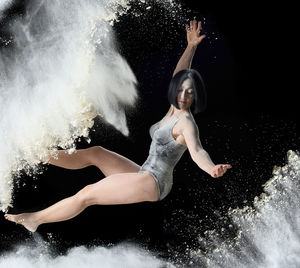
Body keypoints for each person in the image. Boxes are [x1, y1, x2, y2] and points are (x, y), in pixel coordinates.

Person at [4, 20, 231, 232]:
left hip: (155, 183)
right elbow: (179, 74)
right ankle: (38, 156)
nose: (183, 96)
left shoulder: (186, 124)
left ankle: (35, 219)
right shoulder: (173, 108)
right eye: (181, 90)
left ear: (195, 97)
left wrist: (211, 168)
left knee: (88, 194)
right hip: (145, 171)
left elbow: (197, 150)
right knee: (97, 153)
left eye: (189, 93)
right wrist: (191, 46)